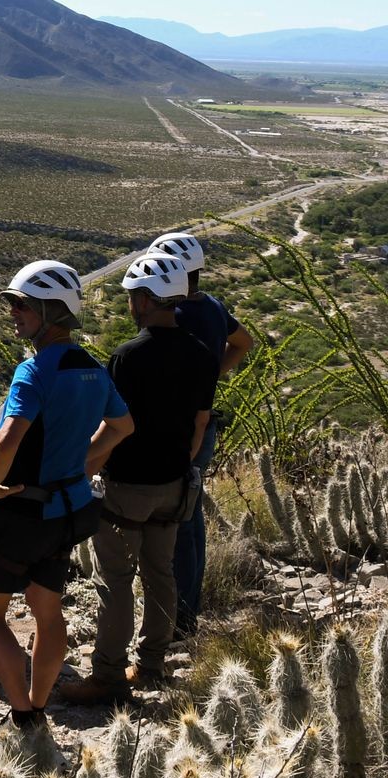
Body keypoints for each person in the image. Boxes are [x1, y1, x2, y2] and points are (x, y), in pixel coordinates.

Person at [0, 260, 133, 729]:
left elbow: (7, 439)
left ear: (51, 310)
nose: (13, 313)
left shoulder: (33, 370)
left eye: (22, 305)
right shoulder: (93, 369)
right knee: (47, 611)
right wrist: (83, 462)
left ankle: (22, 713)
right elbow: (123, 426)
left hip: (22, 514)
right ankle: (38, 706)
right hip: (69, 510)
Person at [62, 251, 218, 704]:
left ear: (148, 300)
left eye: (133, 297)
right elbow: (200, 422)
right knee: (160, 574)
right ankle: (150, 665)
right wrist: (179, 464)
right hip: (174, 485)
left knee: (114, 580)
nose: (130, 304)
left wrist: (79, 473)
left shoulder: (128, 357)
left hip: (126, 485)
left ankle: (108, 675)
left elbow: (111, 426)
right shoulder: (203, 356)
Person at [148, 231, 254, 638]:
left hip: (180, 428)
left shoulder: (179, 317)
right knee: (191, 518)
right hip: (203, 422)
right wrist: (211, 377)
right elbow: (244, 343)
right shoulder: (211, 307)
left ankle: (179, 618)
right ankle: (186, 611)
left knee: (178, 522)